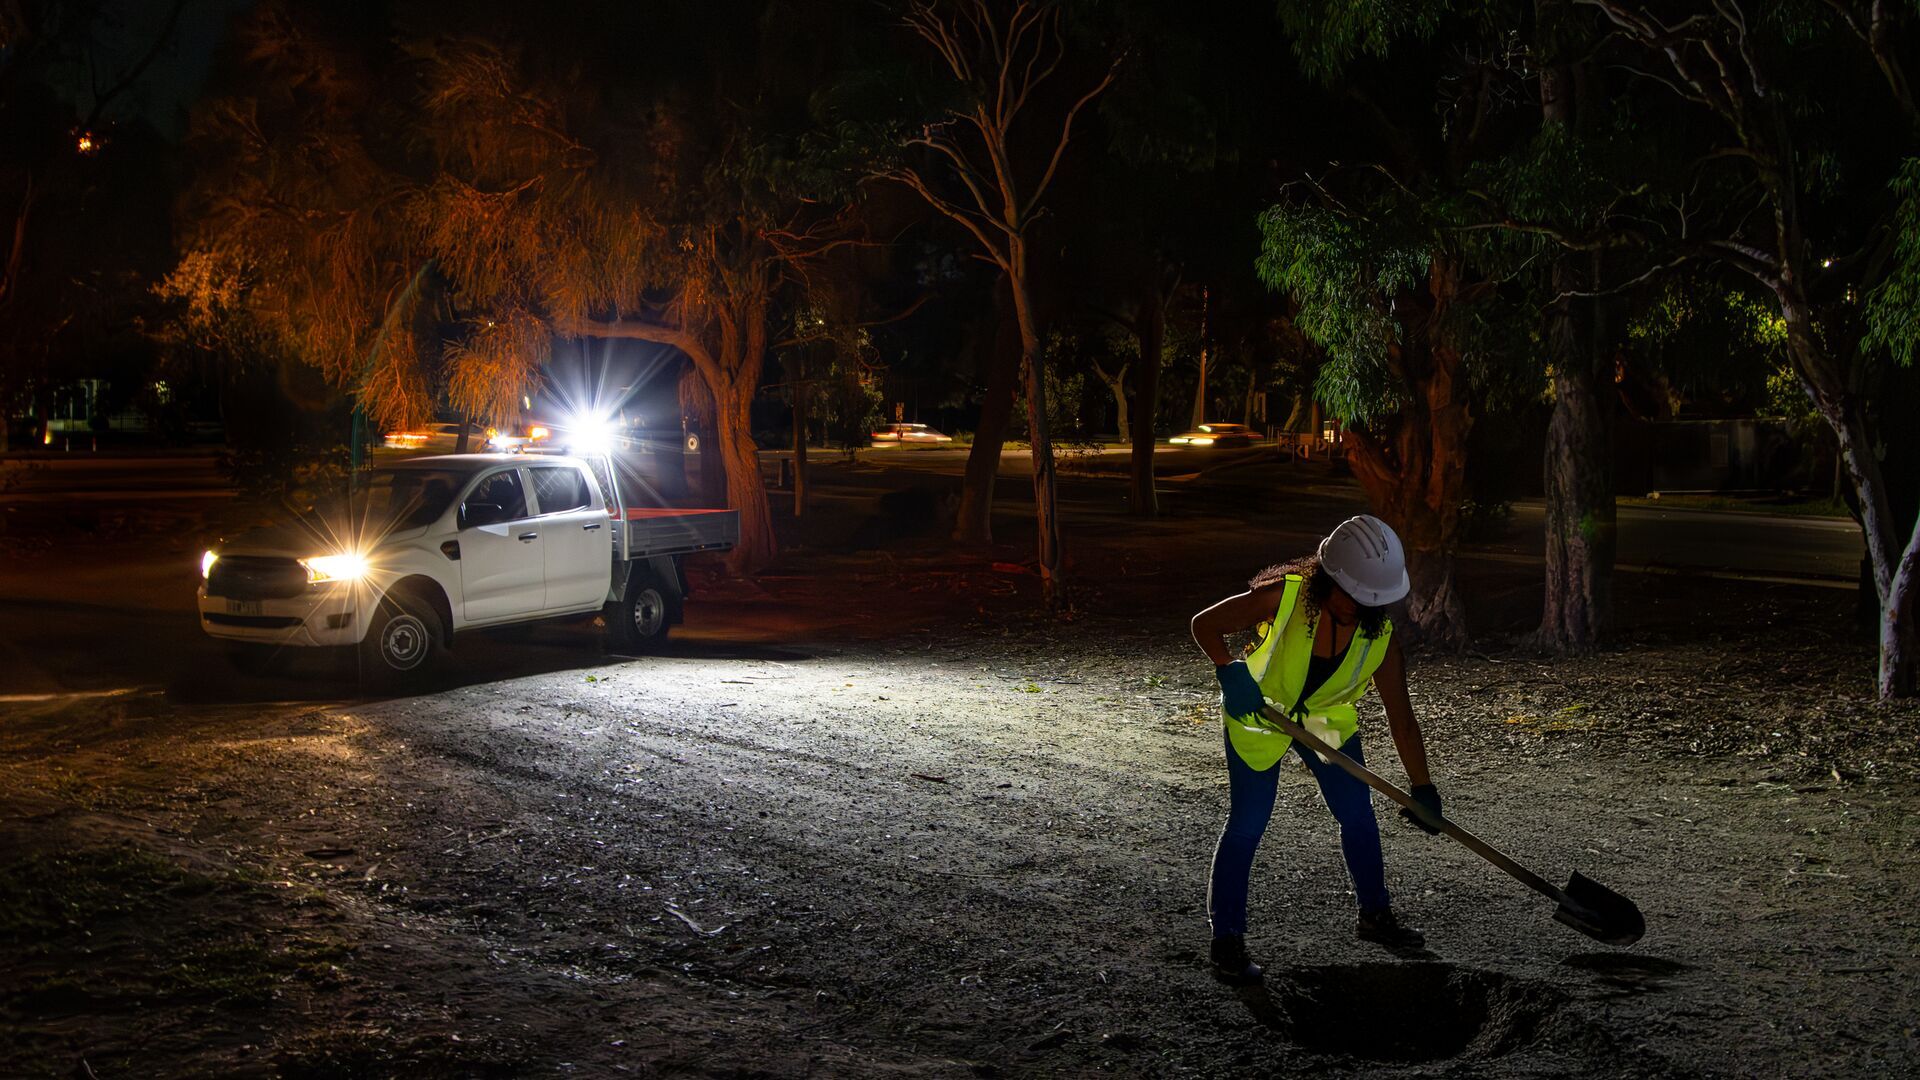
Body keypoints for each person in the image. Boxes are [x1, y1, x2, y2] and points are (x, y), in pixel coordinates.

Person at [1188, 514, 1443, 985]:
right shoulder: (1283, 597)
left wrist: (1422, 786)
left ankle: (1375, 914)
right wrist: (1230, 670)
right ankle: (1227, 941)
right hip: (1261, 714)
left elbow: (1401, 718)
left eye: (1372, 599)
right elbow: (1205, 624)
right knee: (1247, 823)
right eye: (1353, 594)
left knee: (1357, 814)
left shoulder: (1379, 638)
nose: (1360, 606)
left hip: (1325, 722)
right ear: (1327, 577)